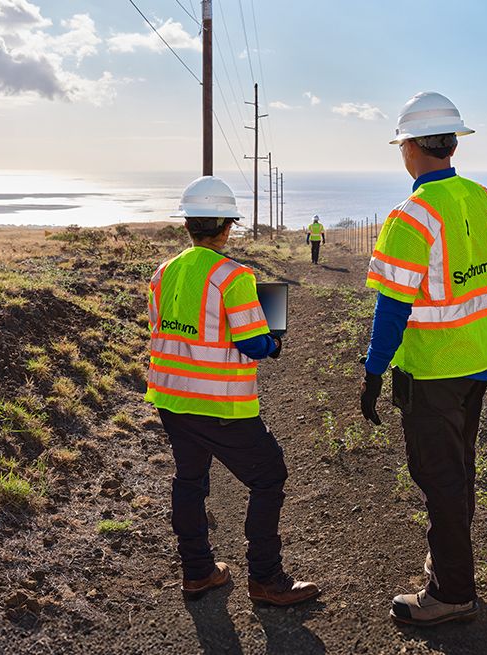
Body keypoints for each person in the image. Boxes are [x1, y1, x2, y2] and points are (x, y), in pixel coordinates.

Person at [358, 92, 487, 626]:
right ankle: (451, 562)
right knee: (458, 468)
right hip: (481, 359)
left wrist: (374, 372)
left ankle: (451, 592)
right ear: (450, 143)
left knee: (438, 475)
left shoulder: (411, 216)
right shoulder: (485, 200)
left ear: (411, 147)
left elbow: (392, 308)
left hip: (433, 369)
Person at [146, 175, 320, 607]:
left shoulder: (163, 272)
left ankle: (198, 571)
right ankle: (265, 578)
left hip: (171, 398)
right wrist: (273, 342)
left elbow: (161, 328)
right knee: (269, 476)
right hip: (219, 403)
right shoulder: (234, 276)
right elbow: (252, 343)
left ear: (187, 224)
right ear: (227, 227)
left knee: (189, 480)